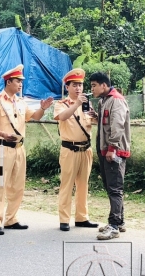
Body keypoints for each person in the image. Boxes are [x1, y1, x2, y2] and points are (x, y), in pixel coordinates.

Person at [0, 64, 54, 236]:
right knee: (0, 184)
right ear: (8, 82)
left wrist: (43, 108)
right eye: (17, 81)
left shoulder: (21, 102)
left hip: (19, 149)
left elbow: (35, 117)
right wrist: (2, 134)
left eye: (21, 81)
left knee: (17, 186)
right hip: (2, 149)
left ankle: (11, 219)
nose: (20, 84)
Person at [53, 68, 99, 232]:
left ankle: (82, 217)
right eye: (74, 85)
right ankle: (64, 219)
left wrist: (95, 115)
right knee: (67, 185)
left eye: (80, 85)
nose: (78, 88)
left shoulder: (87, 103)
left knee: (83, 185)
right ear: (67, 87)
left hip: (86, 150)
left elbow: (92, 123)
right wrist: (77, 104)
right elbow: (63, 117)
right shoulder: (61, 104)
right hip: (69, 150)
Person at [89, 72, 131, 240]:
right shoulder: (104, 101)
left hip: (114, 150)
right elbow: (107, 122)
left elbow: (118, 125)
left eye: (94, 85)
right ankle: (119, 221)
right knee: (110, 185)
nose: (91, 89)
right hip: (105, 149)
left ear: (104, 85)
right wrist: (96, 117)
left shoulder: (116, 100)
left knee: (114, 187)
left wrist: (112, 148)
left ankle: (113, 225)